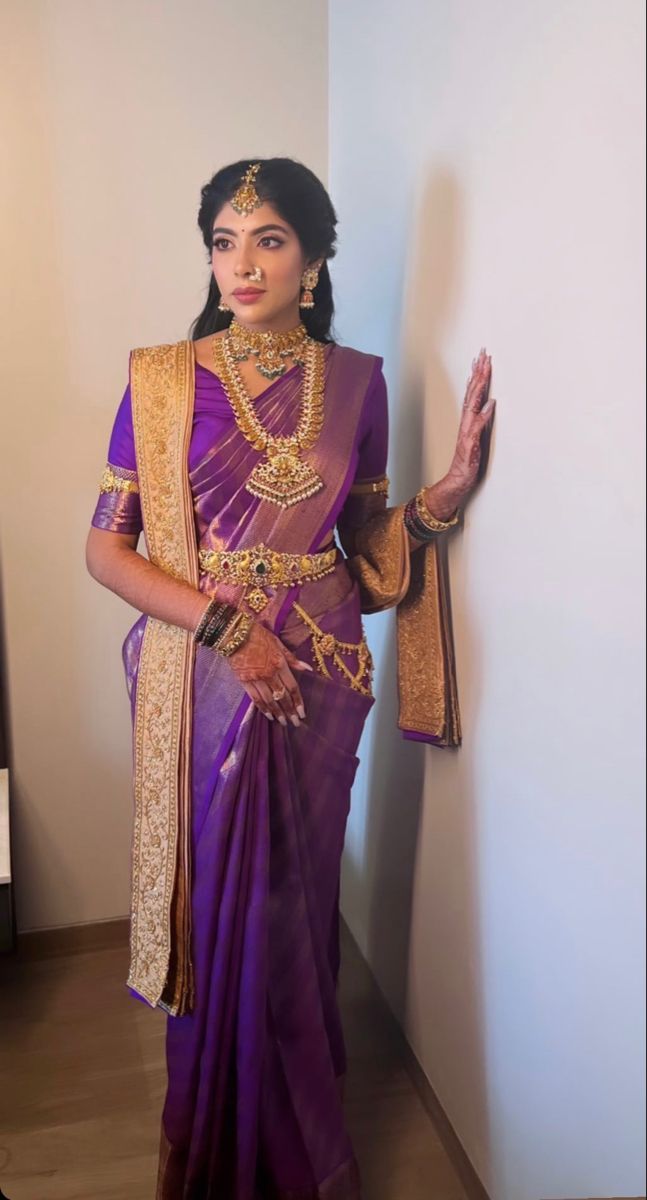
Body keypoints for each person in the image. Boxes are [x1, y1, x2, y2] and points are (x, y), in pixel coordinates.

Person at [85, 157, 495, 1200]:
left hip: (316, 673)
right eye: (223, 240)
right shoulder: (158, 381)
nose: (241, 262)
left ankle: (297, 1152)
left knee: (295, 915)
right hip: (205, 672)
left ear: (312, 260)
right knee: (216, 909)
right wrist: (227, 626)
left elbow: (361, 551)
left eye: (267, 239)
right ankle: (213, 1151)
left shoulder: (356, 382)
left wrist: (440, 498)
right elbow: (107, 551)